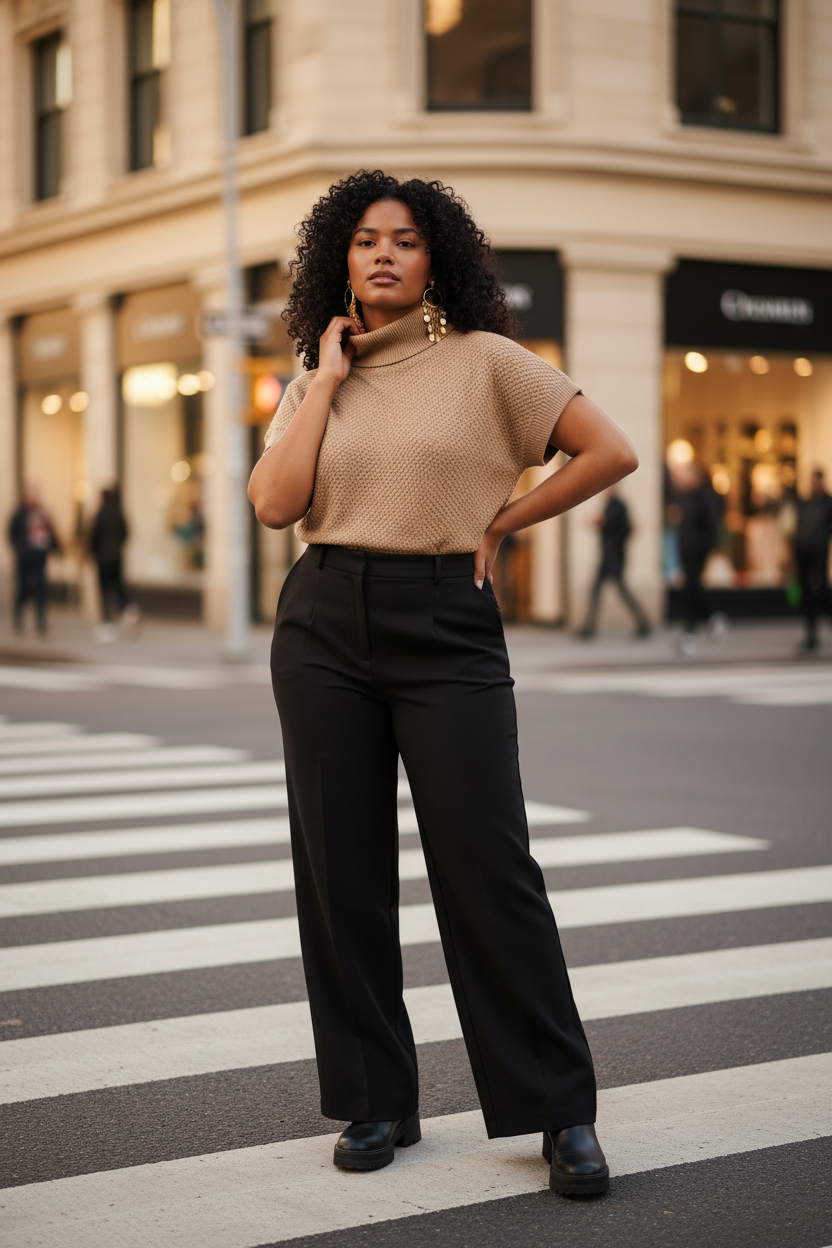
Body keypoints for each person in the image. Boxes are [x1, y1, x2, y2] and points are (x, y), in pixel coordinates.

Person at [248, 172, 639, 1196]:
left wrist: (504, 522)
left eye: (406, 241)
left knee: (489, 867)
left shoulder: (487, 363)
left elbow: (609, 451)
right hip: (324, 617)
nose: (383, 254)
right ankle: (377, 1099)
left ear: (436, 261)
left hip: (445, 622)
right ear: (339, 257)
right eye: (366, 239)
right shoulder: (312, 379)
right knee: (343, 874)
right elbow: (273, 503)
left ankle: (557, 1110)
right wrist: (325, 382)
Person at [579, 488, 650, 638]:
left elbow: (607, 522)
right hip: (610, 555)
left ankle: (643, 623)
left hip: (613, 556)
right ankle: (588, 627)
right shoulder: (612, 504)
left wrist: (595, 521)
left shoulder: (617, 505)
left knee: (614, 590)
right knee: (604, 590)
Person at [671, 462, 725, 655]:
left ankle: (694, 631)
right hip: (686, 552)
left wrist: (704, 549)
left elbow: (712, 528)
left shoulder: (705, 498)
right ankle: (709, 622)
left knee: (692, 589)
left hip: (696, 552)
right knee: (692, 590)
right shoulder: (685, 498)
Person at [8, 486, 60, 636]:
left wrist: (54, 548)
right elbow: (11, 532)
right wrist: (19, 549)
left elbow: (50, 532)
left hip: (39, 557)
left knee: (41, 589)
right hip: (24, 557)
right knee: (22, 588)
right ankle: (18, 618)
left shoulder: (42, 513)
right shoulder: (19, 514)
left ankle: (41, 621)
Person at [795, 469, 832, 652]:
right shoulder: (805, 502)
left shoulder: (828, 502)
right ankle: (811, 635)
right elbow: (799, 528)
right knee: (807, 595)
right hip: (804, 555)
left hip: (819, 554)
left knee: (822, 594)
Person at [89, 487, 130, 637]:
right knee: (118, 586)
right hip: (117, 557)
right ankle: (127, 611)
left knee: (104, 590)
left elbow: (94, 537)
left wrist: (92, 552)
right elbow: (126, 533)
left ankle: (108, 621)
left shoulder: (101, 515)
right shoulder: (119, 513)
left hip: (103, 558)